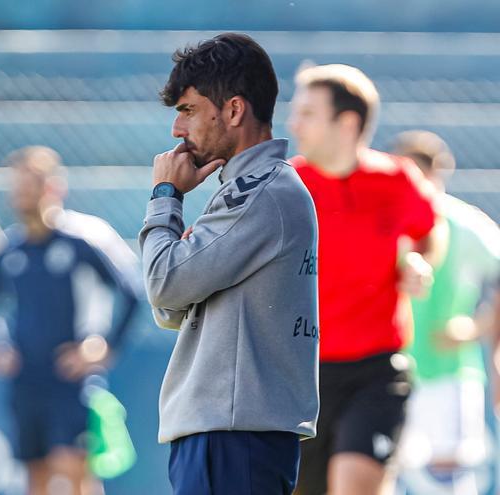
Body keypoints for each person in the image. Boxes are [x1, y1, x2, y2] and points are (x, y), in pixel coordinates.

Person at [139, 33, 320, 494]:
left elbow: (165, 283)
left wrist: (166, 197)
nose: (178, 131)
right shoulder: (249, 189)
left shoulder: (258, 191)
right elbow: (172, 307)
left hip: (234, 434)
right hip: (233, 431)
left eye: (188, 111)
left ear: (234, 110)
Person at [287, 65, 438, 495]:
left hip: (376, 371)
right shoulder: (287, 184)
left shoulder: (396, 180)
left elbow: (429, 232)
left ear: (347, 123)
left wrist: (417, 262)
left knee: (354, 485)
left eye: (308, 113)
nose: (294, 123)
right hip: (300, 376)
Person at [0, 145, 138, 495]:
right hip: (27, 380)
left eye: (30, 184)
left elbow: (131, 293)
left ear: (53, 188)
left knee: (74, 469)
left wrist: (102, 346)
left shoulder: (83, 240)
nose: (21, 193)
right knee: (37, 476)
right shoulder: (9, 250)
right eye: (17, 185)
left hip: (70, 378)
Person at [392, 130, 500, 494]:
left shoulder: (464, 224)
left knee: (446, 482)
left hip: (447, 374)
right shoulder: (382, 221)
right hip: (386, 371)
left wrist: (476, 327)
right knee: (381, 475)